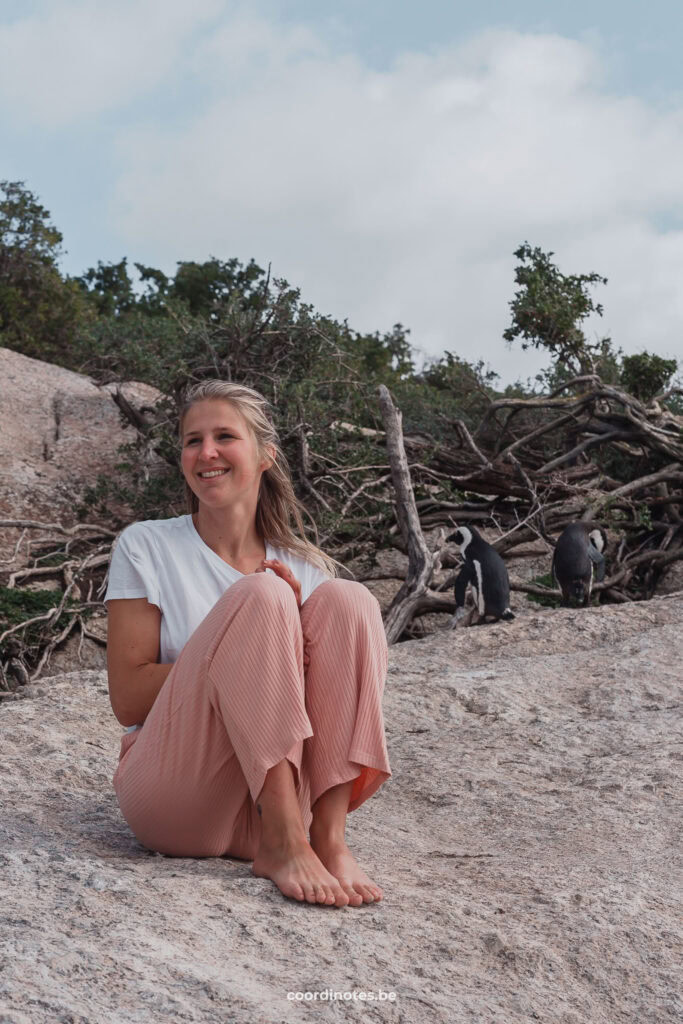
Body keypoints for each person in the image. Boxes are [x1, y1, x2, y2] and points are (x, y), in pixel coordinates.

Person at [104, 379, 392, 908]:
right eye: (193, 440)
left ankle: (327, 838)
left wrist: (290, 651)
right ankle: (282, 840)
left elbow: (332, 696)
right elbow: (127, 699)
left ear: (265, 455)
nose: (206, 453)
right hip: (181, 795)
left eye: (223, 437)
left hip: (283, 798)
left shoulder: (307, 567)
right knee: (262, 598)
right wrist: (251, 643)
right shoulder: (147, 545)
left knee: (349, 599)